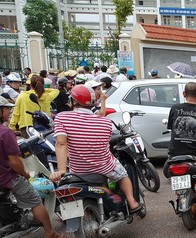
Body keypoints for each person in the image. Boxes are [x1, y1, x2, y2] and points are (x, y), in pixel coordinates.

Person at [49, 85, 142, 213]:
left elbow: (61, 144)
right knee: (123, 175)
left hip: (78, 170)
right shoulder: (105, 122)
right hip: (104, 168)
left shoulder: (62, 117)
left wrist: (61, 170)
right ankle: (132, 201)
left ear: (73, 102)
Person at [0, 98, 68, 238]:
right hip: (5, 179)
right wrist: (24, 174)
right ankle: (51, 234)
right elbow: (15, 162)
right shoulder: (5, 133)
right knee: (35, 200)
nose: (10, 111)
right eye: (6, 108)